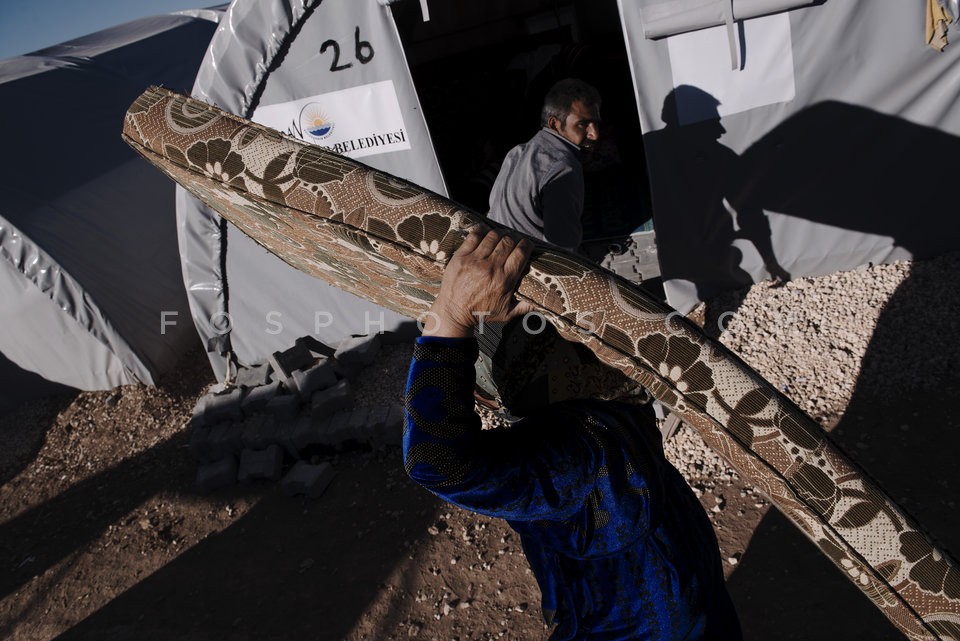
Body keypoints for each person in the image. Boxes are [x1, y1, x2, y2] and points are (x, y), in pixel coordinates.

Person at [402, 227, 742, 640]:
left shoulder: (576, 453)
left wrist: (452, 317)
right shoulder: (621, 413)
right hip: (695, 608)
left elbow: (436, 464)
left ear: (488, 399)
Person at [487, 78, 601, 253]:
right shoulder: (564, 168)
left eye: (595, 124)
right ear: (554, 123)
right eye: (583, 124)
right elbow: (563, 250)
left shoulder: (516, 152)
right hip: (531, 269)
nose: (594, 134)